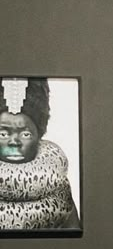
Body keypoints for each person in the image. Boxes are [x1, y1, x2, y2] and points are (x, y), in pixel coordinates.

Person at [0, 77, 80, 230]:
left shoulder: (59, 188)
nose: (14, 142)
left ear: (39, 137)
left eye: (25, 134)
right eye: (3, 134)